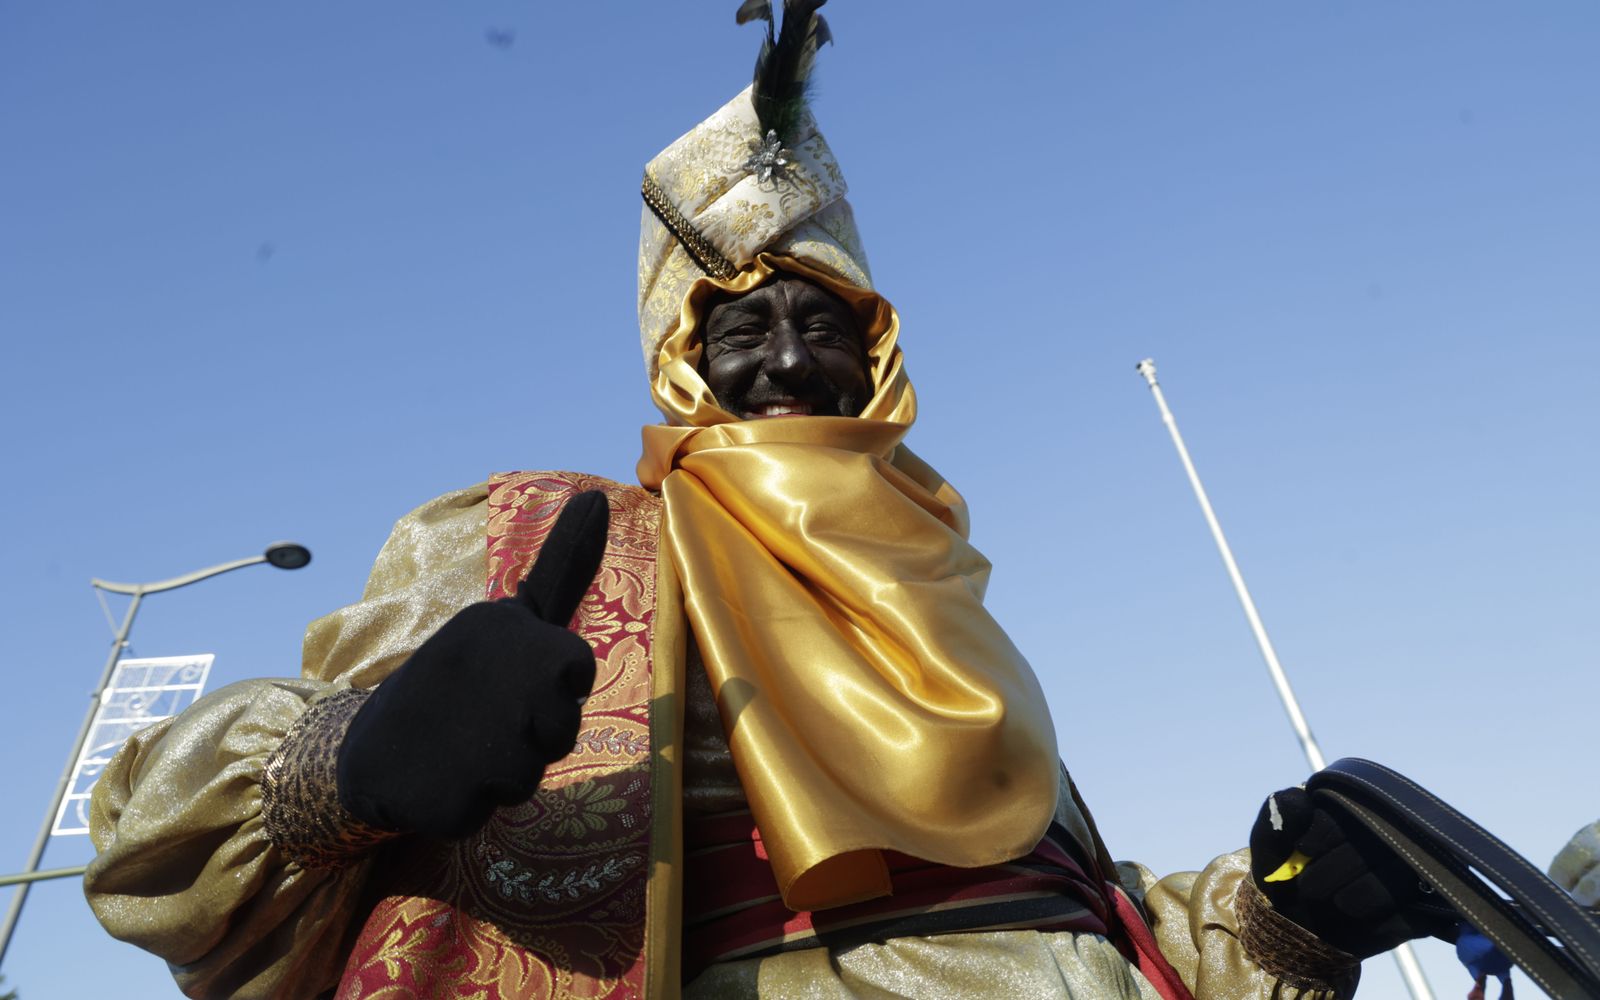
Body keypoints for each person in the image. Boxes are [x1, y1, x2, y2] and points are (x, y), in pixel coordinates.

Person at [83, 4, 1447, 998]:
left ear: (878, 354)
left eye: (825, 325)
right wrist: (356, 759)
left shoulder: (947, 584)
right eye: (744, 329)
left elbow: (1068, 920)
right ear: (685, 363)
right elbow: (153, 850)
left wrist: (1281, 918)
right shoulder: (539, 543)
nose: (792, 361)